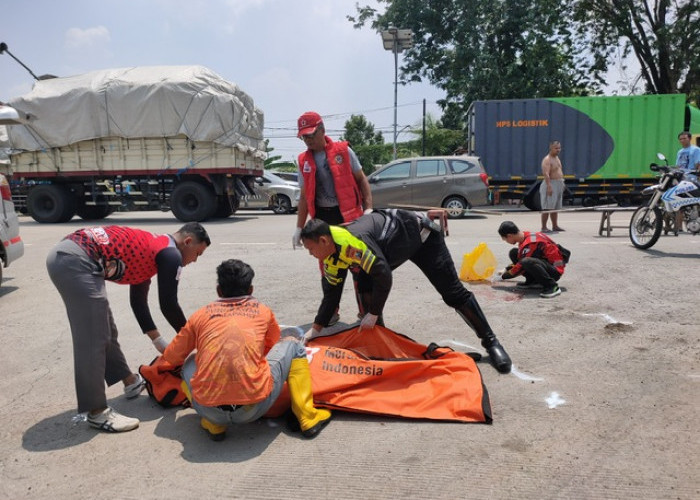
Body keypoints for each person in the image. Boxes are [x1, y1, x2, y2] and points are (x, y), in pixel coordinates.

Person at [300, 209, 512, 374]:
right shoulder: (330, 256)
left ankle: (491, 341)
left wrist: (373, 313)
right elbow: (331, 294)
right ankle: (378, 343)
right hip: (388, 246)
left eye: (310, 249)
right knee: (364, 281)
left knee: (452, 293)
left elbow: (384, 276)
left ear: (324, 240)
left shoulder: (353, 244)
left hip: (421, 236)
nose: (310, 254)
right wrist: (316, 328)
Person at [46, 222, 211, 433]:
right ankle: (97, 411)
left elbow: (138, 302)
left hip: (72, 255)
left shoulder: (154, 248)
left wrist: (158, 341)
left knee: (105, 327)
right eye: (197, 253)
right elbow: (169, 304)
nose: (195, 260)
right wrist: (195, 340)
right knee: (93, 337)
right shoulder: (171, 254)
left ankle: (130, 380)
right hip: (76, 259)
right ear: (187, 242)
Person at [161, 259, 331, 441]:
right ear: (251, 290)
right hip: (254, 408)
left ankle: (215, 425)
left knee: (189, 360)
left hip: (208, 410)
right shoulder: (263, 311)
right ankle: (307, 417)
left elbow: (171, 356)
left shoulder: (200, 315)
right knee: (294, 345)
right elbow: (273, 345)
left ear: (219, 290)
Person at [291, 111, 373, 325]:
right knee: (328, 268)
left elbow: (362, 180)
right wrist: (299, 228)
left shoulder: (343, 151)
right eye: (304, 137)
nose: (307, 140)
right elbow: (303, 197)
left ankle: (366, 311)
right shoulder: (303, 161)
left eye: (310, 135)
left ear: (322, 130)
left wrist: (369, 209)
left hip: (349, 216)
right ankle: (331, 312)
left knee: (359, 265)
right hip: (322, 220)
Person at [497, 220, 566, 298]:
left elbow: (520, 267)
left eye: (505, 239)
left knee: (527, 261)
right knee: (514, 253)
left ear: (509, 236)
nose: (506, 241)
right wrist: (506, 269)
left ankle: (552, 286)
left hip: (555, 272)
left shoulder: (530, 243)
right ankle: (533, 281)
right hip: (547, 265)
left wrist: (503, 276)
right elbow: (521, 258)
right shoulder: (525, 236)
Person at [674, 131, 700, 233]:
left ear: (689, 138)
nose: (682, 140)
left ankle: (694, 224)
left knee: (693, 203)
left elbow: (698, 164)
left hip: (691, 179)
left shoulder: (696, 150)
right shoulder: (680, 152)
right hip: (681, 180)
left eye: (684, 138)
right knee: (679, 202)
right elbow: (678, 166)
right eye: (680, 139)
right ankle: (679, 227)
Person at [540, 140, 566, 232]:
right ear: (551, 148)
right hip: (551, 183)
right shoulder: (547, 159)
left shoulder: (557, 158)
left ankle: (555, 226)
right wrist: (549, 186)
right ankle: (544, 227)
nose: (558, 150)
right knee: (548, 207)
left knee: (555, 207)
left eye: (559, 148)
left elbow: (559, 171)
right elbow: (546, 174)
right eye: (556, 148)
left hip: (558, 183)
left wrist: (562, 184)